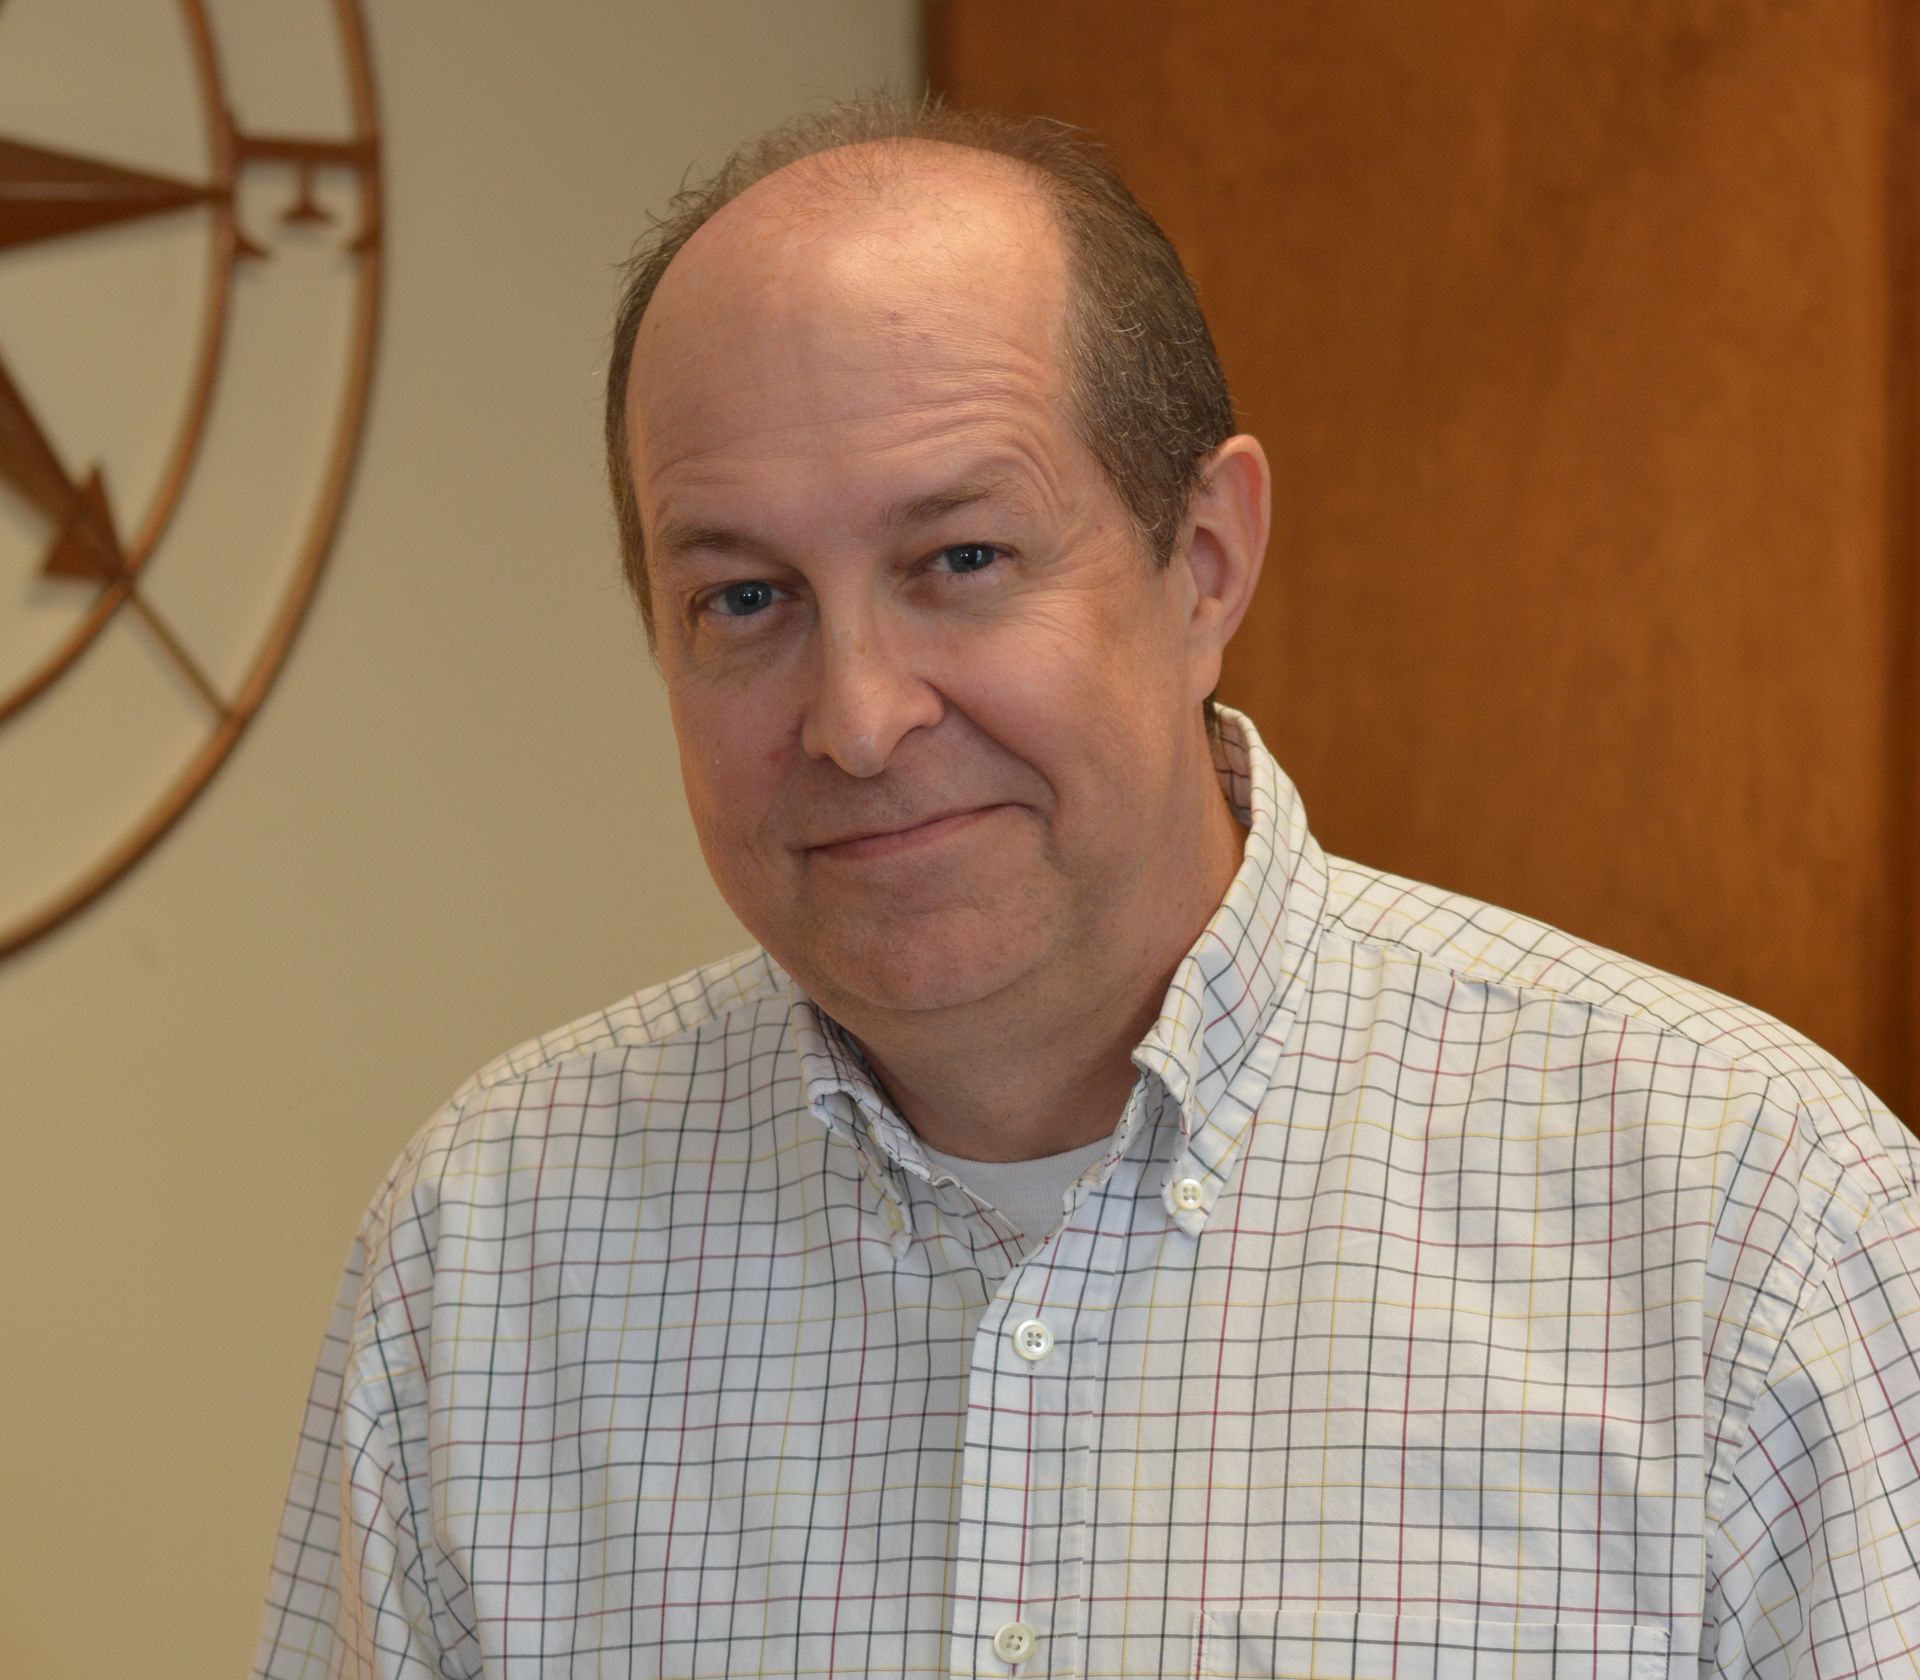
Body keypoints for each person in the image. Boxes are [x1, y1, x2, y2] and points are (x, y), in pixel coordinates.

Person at [255, 97, 1920, 1679]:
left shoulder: (1748, 1223)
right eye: (747, 599)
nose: (857, 718)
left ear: (1206, 564)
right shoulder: (488, 1250)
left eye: (961, 560)